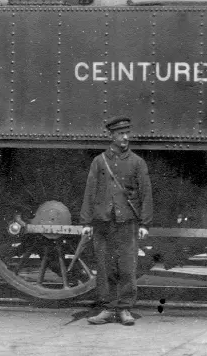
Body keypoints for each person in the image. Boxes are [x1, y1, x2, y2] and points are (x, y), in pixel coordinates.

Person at [80, 116, 154, 326]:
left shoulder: (137, 162)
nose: (125, 137)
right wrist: (86, 222)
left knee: (127, 266)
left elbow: (146, 194)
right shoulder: (99, 161)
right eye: (120, 134)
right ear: (111, 135)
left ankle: (124, 309)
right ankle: (106, 308)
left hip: (127, 222)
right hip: (103, 221)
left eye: (127, 133)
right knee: (104, 266)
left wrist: (145, 224)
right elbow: (90, 192)